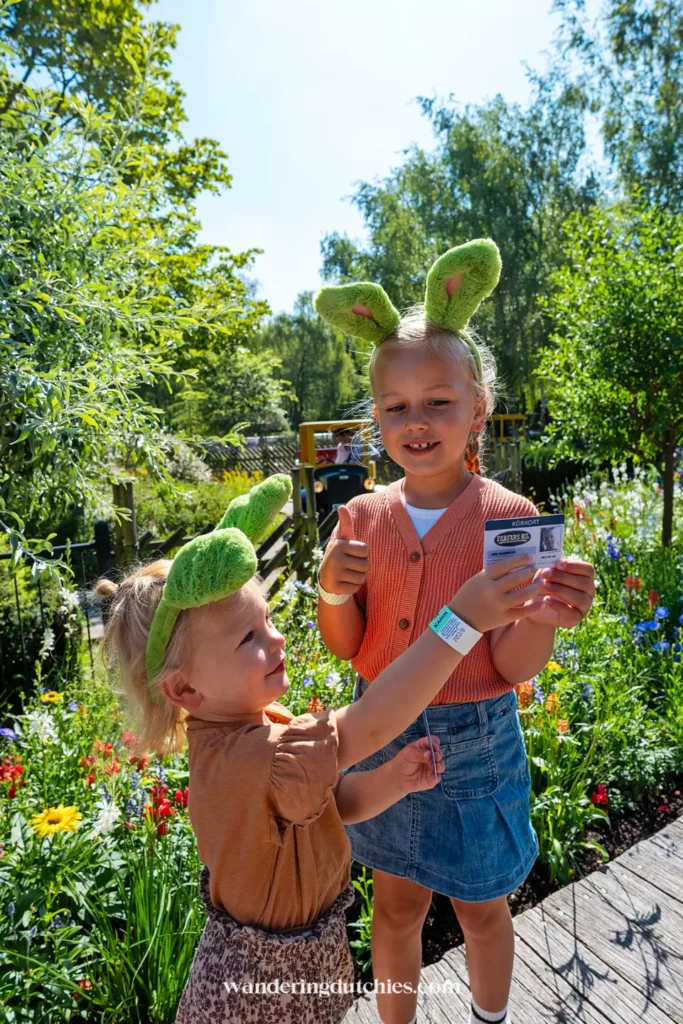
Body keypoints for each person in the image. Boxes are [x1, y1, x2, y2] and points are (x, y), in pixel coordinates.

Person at [96, 473, 543, 1024]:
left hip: (287, 969)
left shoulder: (236, 734)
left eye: (268, 621)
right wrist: (463, 619)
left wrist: (393, 780)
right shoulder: (262, 755)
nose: (276, 639)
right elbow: (375, 723)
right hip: (269, 991)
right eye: (249, 639)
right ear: (185, 689)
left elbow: (321, 811)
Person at [314, 239, 596, 1024]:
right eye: (395, 407)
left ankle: (488, 1017)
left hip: (474, 739)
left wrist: (540, 618)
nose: (417, 422)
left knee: (480, 909)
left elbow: (508, 664)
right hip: (378, 735)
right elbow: (347, 644)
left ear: (477, 405)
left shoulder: (507, 519)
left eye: (438, 401)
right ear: (375, 418)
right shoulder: (361, 516)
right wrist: (332, 593)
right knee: (396, 905)